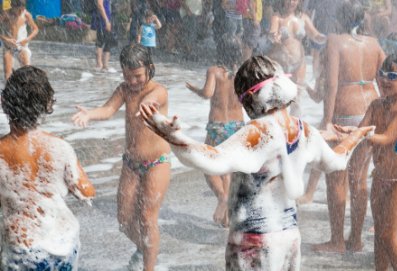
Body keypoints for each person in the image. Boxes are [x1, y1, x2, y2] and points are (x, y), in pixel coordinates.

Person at [139, 55, 375, 270]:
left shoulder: (258, 132)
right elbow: (337, 162)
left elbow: (212, 160)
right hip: (289, 240)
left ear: (250, 98)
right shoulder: (303, 129)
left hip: (254, 243)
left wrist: (173, 137)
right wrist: (356, 135)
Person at [72, 44, 170, 271]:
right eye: (127, 76)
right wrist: (89, 114)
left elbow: (154, 99)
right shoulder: (125, 89)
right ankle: (147, 249)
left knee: (147, 217)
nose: (133, 81)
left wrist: (147, 104)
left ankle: (149, 266)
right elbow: (107, 110)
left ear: (150, 69)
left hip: (157, 163)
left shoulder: (159, 91)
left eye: (137, 76)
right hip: (131, 163)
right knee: (124, 220)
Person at [0, 66, 96, 270]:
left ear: (5, 102)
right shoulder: (59, 148)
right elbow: (85, 191)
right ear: (45, 106)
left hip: (21, 248)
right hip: (62, 246)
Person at [311, 0, 385, 253]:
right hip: (370, 113)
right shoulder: (374, 43)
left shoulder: (335, 40)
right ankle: (356, 239)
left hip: (344, 113)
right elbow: (385, 77)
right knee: (359, 179)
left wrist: (327, 120)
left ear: (340, 18)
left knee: (336, 179)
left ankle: (337, 241)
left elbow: (331, 84)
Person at [338, 52, 397, 269]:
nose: (384, 80)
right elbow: (361, 132)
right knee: (379, 236)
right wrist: (347, 133)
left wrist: (358, 134)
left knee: (389, 236)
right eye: (383, 74)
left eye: (393, 76)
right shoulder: (376, 105)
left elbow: (386, 139)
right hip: (380, 179)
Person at [185, 36, 245, 227]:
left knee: (207, 165)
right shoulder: (243, 73)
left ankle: (222, 196)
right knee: (229, 168)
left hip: (218, 126)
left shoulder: (214, 71)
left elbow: (207, 94)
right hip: (237, 126)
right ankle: (228, 216)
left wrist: (195, 89)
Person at [267, 0, 325, 116]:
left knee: (297, 99)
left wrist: (324, 38)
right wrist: (275, 37)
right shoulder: (277, 17)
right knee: (279, 97)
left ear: (299, 1)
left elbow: (314, 35)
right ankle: (279, 125)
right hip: (281, 63)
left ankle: (295, 127)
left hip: (299, 63)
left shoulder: (303, 18)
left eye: (294, 0)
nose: (290, 2)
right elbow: (272, 34)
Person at [0, 0, 38, 80]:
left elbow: (35, 29)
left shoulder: (26, 14)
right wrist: (6, 39)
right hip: (8, 48)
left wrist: (27, 39)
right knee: (8, 77)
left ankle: (27, 90)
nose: (21, 12)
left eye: (23, 9)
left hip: (22, 47)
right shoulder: (6, 14)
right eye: (19, 10)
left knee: (27, 74)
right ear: (12, 7)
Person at [91, 0, 117, 73]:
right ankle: (99, 64)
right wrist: (106, 20)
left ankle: (105, 66)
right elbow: (99, 4)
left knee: (108, 42)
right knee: (100, 41)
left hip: (109, 19)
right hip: (102, 19)